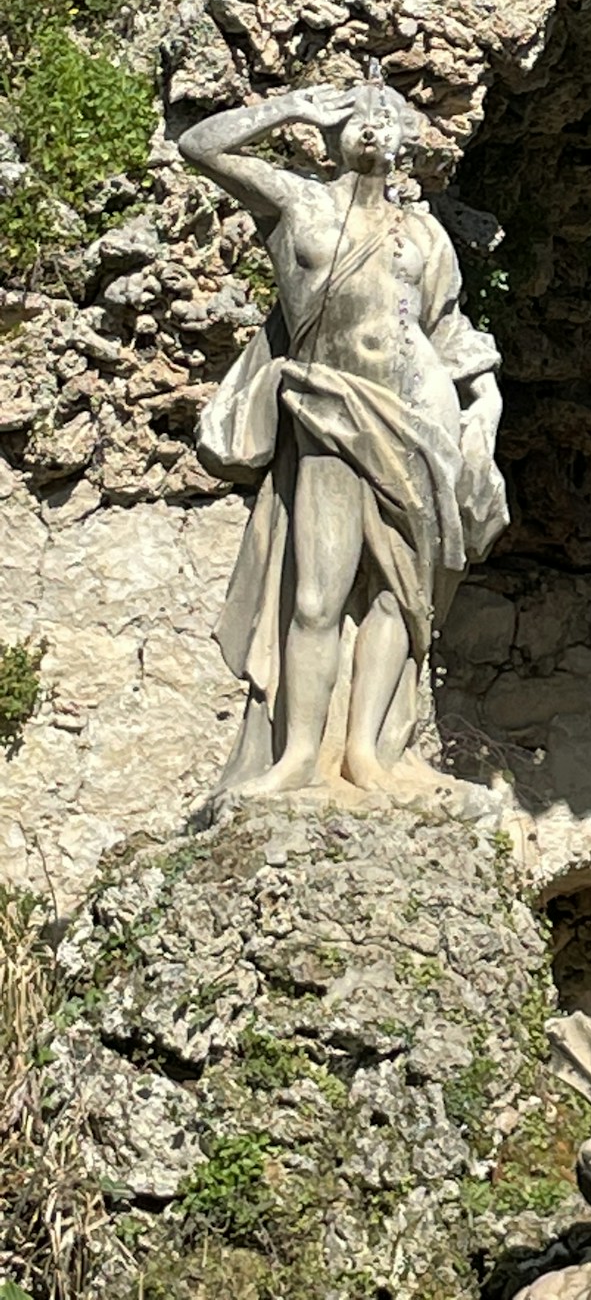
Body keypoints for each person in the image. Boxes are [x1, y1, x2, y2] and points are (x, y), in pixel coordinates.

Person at [180, 70, 508, 798]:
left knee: (399, 595)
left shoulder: (426, 235)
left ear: (404, 141)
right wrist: (288, 106)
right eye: (355, 116)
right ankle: (300, 754)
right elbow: (199, 145)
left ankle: (367, 753)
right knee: (318, 595)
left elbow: (449, 332)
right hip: (330, 406)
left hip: (422, 423)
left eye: (385, 117)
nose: (371, 127)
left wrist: (483, 409)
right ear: (329, 134)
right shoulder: (301, 206)